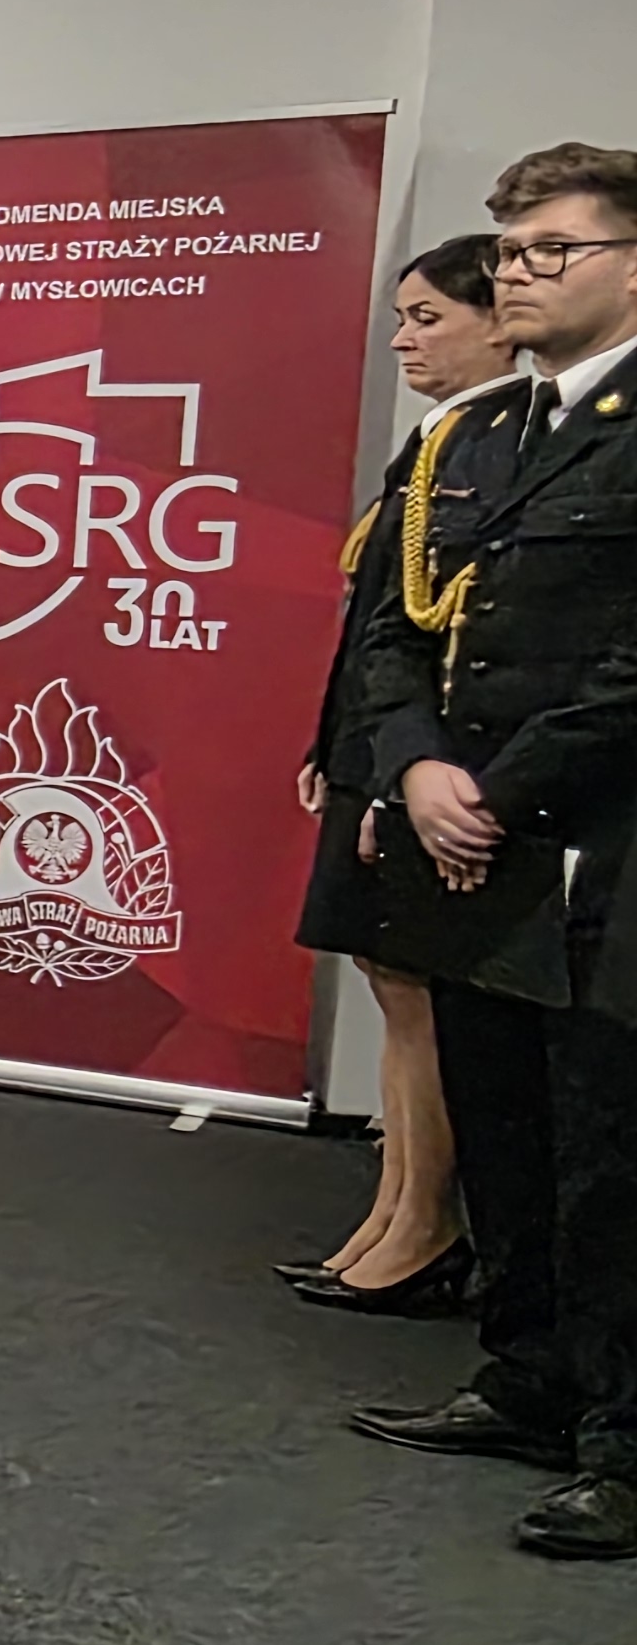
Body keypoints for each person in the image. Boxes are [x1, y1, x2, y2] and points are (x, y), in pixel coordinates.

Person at [345, 142, 637, 1559]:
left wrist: (495, 794)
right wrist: (416, 766)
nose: (518, 273)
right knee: (505, 1128)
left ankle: (624, 1444)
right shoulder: (475, 436)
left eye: (553, 250)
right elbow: (392, 630)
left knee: (610, 1156)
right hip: (474, 841)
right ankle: (528, 1379)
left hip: (603, 847)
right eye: (511, 249)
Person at [286, 233, 527, 1314]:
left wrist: (396, 778)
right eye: (400, 318)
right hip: (378, 748)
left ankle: (426, 1224)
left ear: (499, 323)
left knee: (419, 991)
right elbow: (381, 624)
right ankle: (392, 1209)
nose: (402, 340)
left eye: (428, 318)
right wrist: (334, 743)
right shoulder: (441, 440)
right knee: (390, 983)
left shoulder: (503, 445)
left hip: (420, 767)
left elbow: (456, 640)